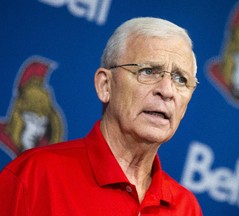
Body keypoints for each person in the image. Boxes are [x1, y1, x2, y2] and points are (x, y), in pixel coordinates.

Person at [0, 17, 202, 215]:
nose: (167, 91)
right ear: (105, 85)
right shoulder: (34, 176)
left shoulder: (186, 208)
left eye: (180, 79)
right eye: (148, 71)